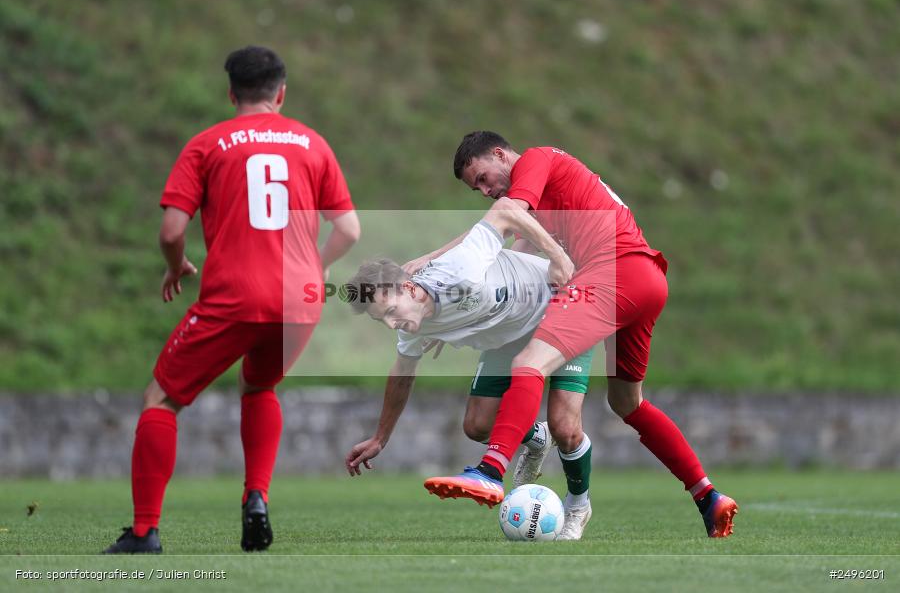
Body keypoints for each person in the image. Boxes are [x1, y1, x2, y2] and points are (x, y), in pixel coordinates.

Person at [415, 131, 737, 538]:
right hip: (647, 279)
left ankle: (491, 471)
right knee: (628, 403)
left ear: (500, 154)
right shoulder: (543, 200)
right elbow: (498, 250)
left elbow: (502, 217)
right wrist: (452, 306)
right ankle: (708, 496)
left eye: (482, 178)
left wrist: (427, 261)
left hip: (611, 273)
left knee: (529, 363)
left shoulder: (534, 159)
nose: (485, 191)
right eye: (475, 188)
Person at [103, 46, 360, 554]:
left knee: (161, 399)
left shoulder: (207, 145)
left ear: (231, 93)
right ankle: (256, 497)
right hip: (299, 300)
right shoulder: (312, 143)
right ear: (280, 93)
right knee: (259, 384)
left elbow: (171, 230)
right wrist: (316, 266)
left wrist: (176, 265)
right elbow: (349, 229)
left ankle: (144, 532)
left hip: (235, 296)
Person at [343, 220, 595, 540]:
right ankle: (537, 438)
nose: (392, 324)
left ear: (409, 288)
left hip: (565, 304)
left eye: (391, 311)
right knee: (477, 426)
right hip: (509, 333)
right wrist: (380, 438)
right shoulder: (413, 323)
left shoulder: (460, 267)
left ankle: (578, 506)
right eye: (383, 319)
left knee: (565, 427)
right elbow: (402, 374)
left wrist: (557, 256)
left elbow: (507, 212)